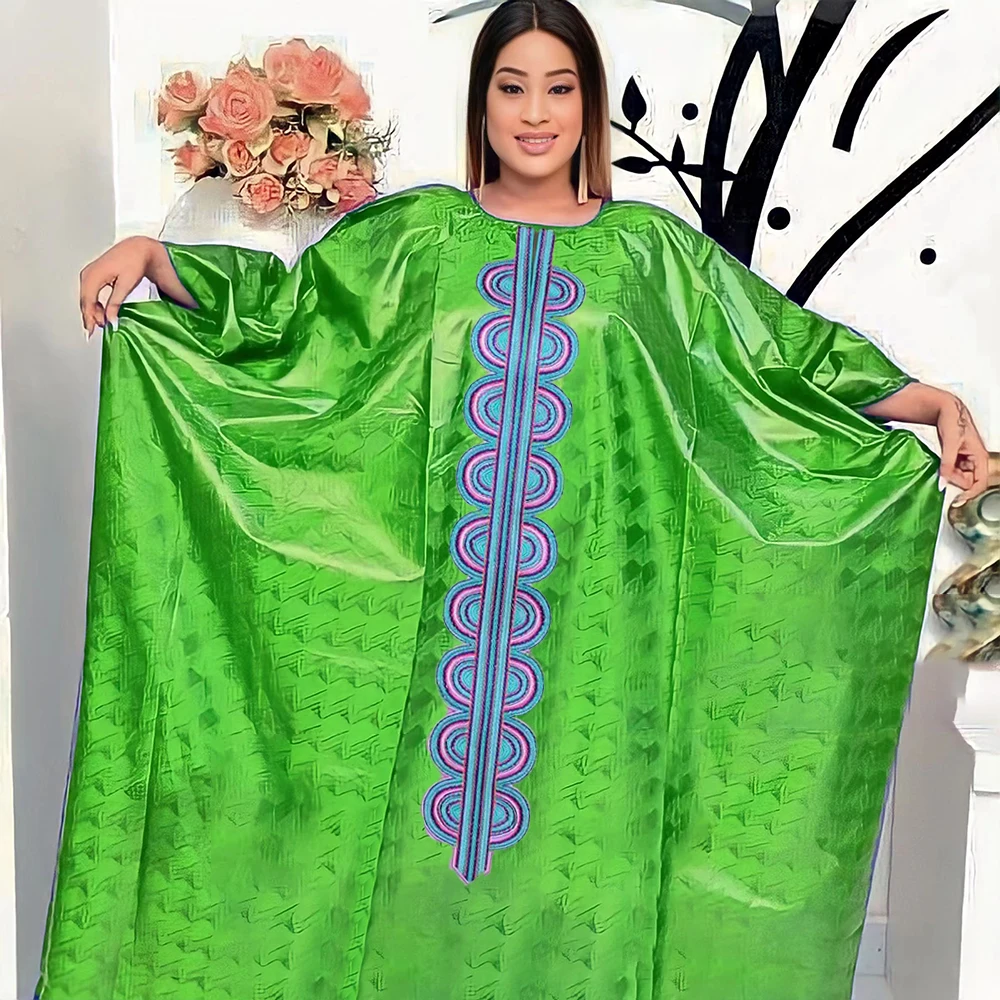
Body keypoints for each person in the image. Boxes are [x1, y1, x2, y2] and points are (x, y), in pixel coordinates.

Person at [45, 2, 987, 999]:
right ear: (482, 102)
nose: (535, 113)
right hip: (423, 637)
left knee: (581, 867)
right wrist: (153, 256)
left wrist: (929, 403)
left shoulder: (652, 255)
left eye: (558, 88)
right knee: (392, 869)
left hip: (594, 642)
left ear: (588, 105)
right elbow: (291, 321)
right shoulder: (417, 237)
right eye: (512, 87)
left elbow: (780, 357)